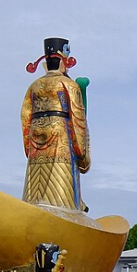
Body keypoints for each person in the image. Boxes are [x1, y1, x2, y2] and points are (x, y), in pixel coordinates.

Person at [21, 37, 91, 211]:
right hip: (60, 133)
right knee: (62, 176)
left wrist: (28, 143)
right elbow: (77, 116)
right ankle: (66, 207)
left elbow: (25, 116)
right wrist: (82, 153)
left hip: (36, 135)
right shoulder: (68, 84)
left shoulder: (34, 86)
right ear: (62, 63)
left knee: (35, 175)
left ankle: (33, 205)